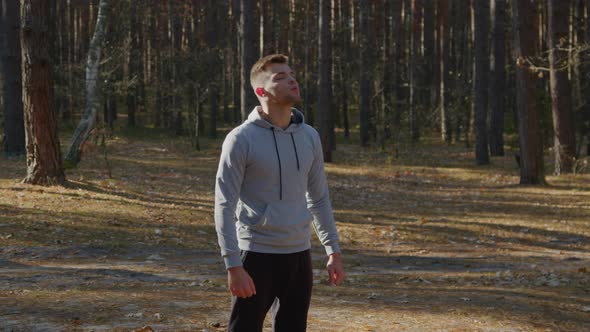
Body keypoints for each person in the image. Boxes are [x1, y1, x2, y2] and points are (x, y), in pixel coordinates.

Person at [214, 54, 345, 332]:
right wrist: (233, 265)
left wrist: (332, 249)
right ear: (261, 91)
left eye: (291, 74)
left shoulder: (309, 136)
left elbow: (319, 198)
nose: (291, 79)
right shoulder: (241, 139)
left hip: (299, 255)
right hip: (256, 254)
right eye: (280, 77)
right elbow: (224, 205)